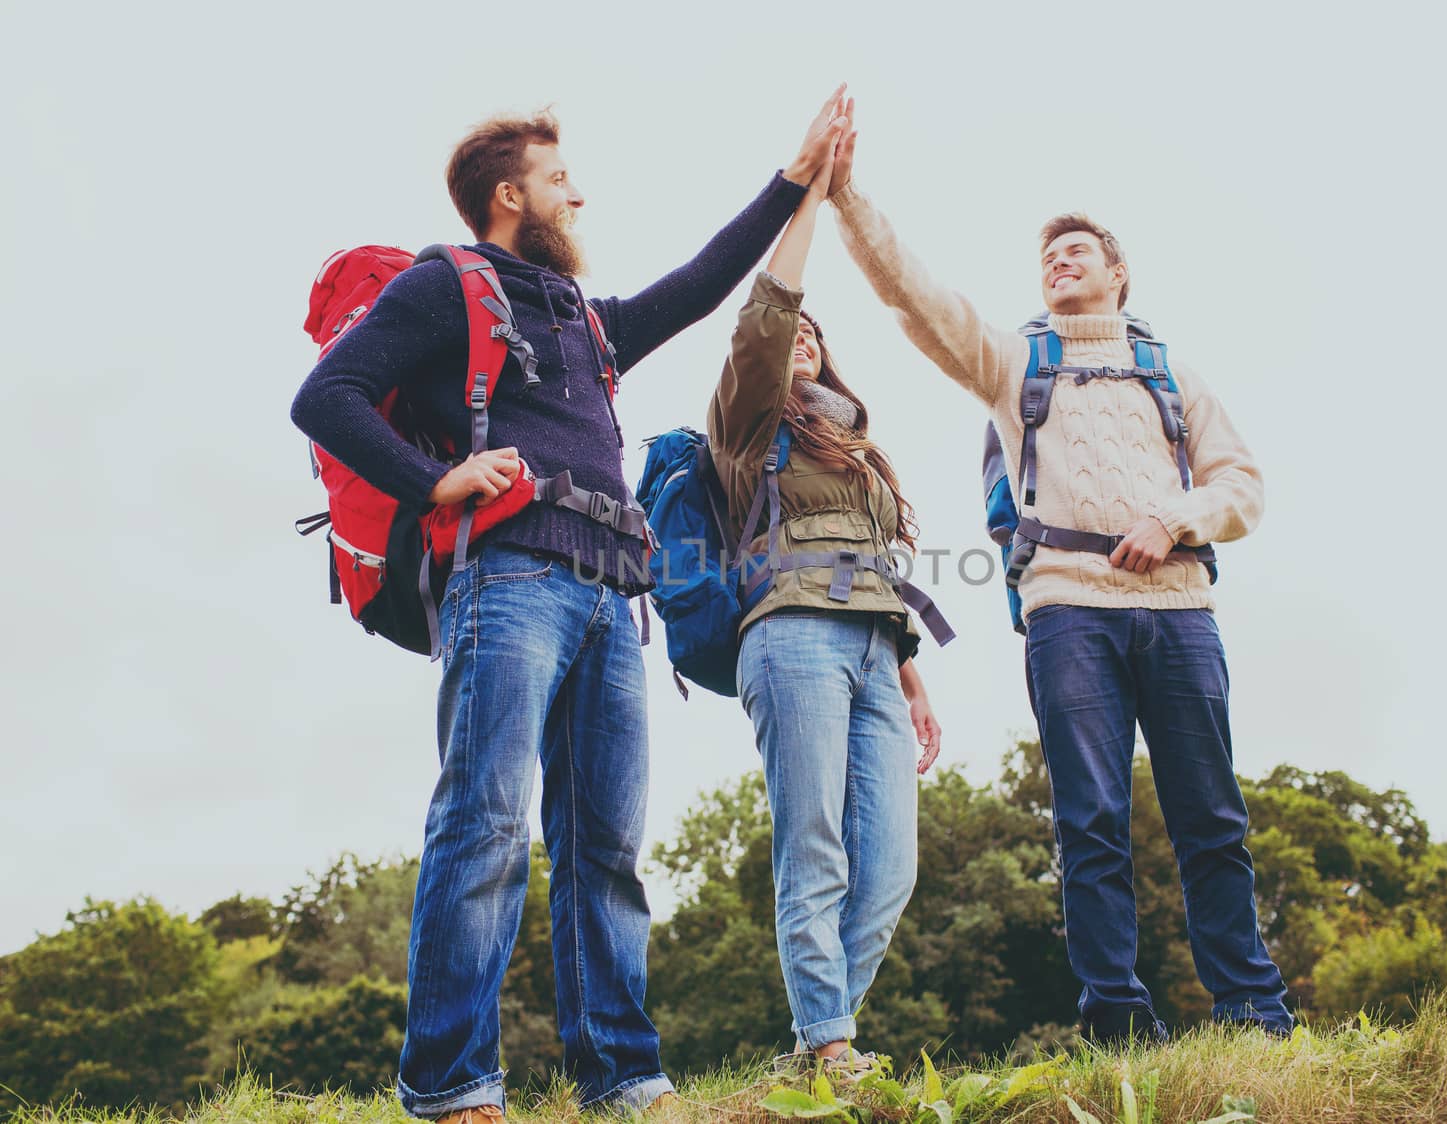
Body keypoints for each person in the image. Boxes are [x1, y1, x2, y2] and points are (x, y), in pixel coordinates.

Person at [290, 88, 853, 1118]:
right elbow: (323, 396)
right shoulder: (443, 287)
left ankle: (624, 1077)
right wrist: (437, 482)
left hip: (608, 598)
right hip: (508, 581)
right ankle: (453, 1083)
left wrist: (794, 180)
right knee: (487, 822)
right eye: (559, 180)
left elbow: (697, 285)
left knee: (604, 847)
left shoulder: (585, 322)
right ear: (511, 195)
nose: (576, 194)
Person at [822, 130, 1293, 1043]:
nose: (1057, 262)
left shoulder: (1172, 374)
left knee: (1213, 815)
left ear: (1119, 274)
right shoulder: (1015, 364)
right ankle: (1115, 1018)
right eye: (1047, 256)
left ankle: (1253, 1009)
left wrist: (1176, 519)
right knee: (1090, 818)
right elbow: (917, 300)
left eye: (1076, 251)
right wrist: (847, 201)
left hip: (1182, 610)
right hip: (1068, 610)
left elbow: (1245, 487)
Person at [705, 107, 942, 1074]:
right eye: (790, 329)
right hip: (791, 632)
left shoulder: (855, 441)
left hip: (876, 647)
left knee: (887, 870)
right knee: (815, 847)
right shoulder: (748, 428)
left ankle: (811, 1048)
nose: (801, 333)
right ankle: (832, 1044)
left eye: (815, 329)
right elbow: (768, 312)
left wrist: (913, 671)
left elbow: (882, 569)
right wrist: (807, 197)